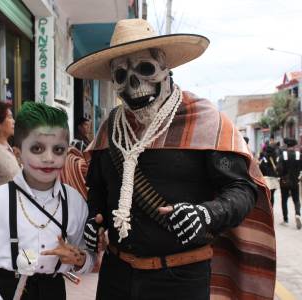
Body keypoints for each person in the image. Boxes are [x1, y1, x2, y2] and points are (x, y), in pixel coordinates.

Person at [66, 19, 275, 299]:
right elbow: (99, 189)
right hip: (117, 275)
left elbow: (242, 189)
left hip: (181, 278)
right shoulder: (111, 127)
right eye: (121, 75)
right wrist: (94, 219)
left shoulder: (204, 120)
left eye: (145, 69)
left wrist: (206, 214)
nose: (133, 84)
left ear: (166, 70)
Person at [0, 102, 96, 300]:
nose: (49, 158)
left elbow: (89, 258)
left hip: (53, 290)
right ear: (18, 154)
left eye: (58, 150)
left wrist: (80, 259)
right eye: (37, 149)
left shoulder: (75, 202)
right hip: (6, 290)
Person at [277, 137, 302, 229]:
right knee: (296, 199)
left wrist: (280, 175)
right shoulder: (299, 155)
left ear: (287, 145)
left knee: (284, 200)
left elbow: (279, 168)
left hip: (284, 181)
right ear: (295, 145)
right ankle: (298, 214)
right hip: (295, 181)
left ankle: (285, 219)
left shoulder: (283, 155)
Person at [259, 139, 280, 206]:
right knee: (272, 195)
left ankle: (268, 208)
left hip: (266, 178)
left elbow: (261, 166)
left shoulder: (264, 157)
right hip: (274, 178)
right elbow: (279, 166)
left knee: (267, 195)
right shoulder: (276, 157)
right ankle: (271, 208)